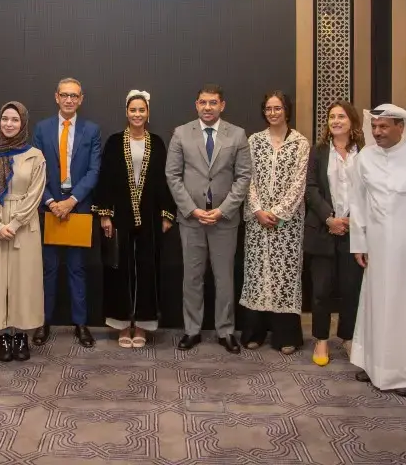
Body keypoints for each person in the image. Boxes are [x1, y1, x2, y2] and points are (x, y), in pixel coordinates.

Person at [349, 104, 406, 397]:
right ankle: (374, 365)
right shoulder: (365, 157)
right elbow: (358, 203)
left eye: (384, 127)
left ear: (401, 126)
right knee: (376, 304)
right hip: (376, 246)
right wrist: (359, 243)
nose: (377, 132)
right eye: (374, 127)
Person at [165, 84, 251, 353]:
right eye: (203, 102)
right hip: (192, 219)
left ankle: (225, 331)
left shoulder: (237, 135)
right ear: (196, 104)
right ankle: (192, 330)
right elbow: (172, 176)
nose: (207, 107)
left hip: (224, 220)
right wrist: (192, 209)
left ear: (222, 105)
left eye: (213, 103)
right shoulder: (181, 133)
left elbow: (244, 177)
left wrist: (224, 209)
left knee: (224, 278)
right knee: (192, 277)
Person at [93, 90, 177, 348]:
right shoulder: (115, 142)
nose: (137, 114)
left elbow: (165, 180)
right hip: (120, 216)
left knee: (147, 270)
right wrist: (105, 214)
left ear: (148, 113)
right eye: (133, 110)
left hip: (150, 217)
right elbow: (105, 178)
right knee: (120, 270)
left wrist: (166, 213)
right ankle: (121, 325)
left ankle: (141, 324)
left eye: (142, 110)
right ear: (126, 112)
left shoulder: (158, 143)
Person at [0, 102, 47, 362]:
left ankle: (21, 335)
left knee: (22, 282)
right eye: (4, 118)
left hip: (23, 227)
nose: (9, 124)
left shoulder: (35, 156)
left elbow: (35, 194)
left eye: (14, 119)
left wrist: (14, 224)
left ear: (23, 123)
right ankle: (3, 335)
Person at [32, 77, 102, 348]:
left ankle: (81, 324)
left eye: (74, 95)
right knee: (48, 269)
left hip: (78, 208)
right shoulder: (42, 128)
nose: (69, 99)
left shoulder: (92, 130)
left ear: (81, 99)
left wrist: (72, 201)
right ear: (56, 97)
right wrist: (51, 202)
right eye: (65, 95)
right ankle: (43, 322)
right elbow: (36, 168)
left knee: (77, 269)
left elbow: (95, 171)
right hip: (49, 207)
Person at [240, 91, 308, 354]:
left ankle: (285, 336)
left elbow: (299, 183)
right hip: (258, 221)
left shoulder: (300, 142)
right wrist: (257, 209)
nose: (273, 113)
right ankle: (254, 332)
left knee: (284, 276)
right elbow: (248, 178)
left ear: (287, 110)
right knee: (257, 274)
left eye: (277, 108)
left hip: (287, 224)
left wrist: (279, 212)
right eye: (268, 108)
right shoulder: (254, 141)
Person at [304, 100, 365, 366]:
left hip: (355, 231)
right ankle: (320, 339)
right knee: (321, 290)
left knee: (352, 289)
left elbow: (371, 190)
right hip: (323, 230)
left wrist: (352, 219)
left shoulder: (365, 152)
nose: (336, 121)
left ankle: (349, 337)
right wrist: (330, 218)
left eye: (341, 116)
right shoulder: (318, 151)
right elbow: (311, 188)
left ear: (352, 121)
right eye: (331, 117)